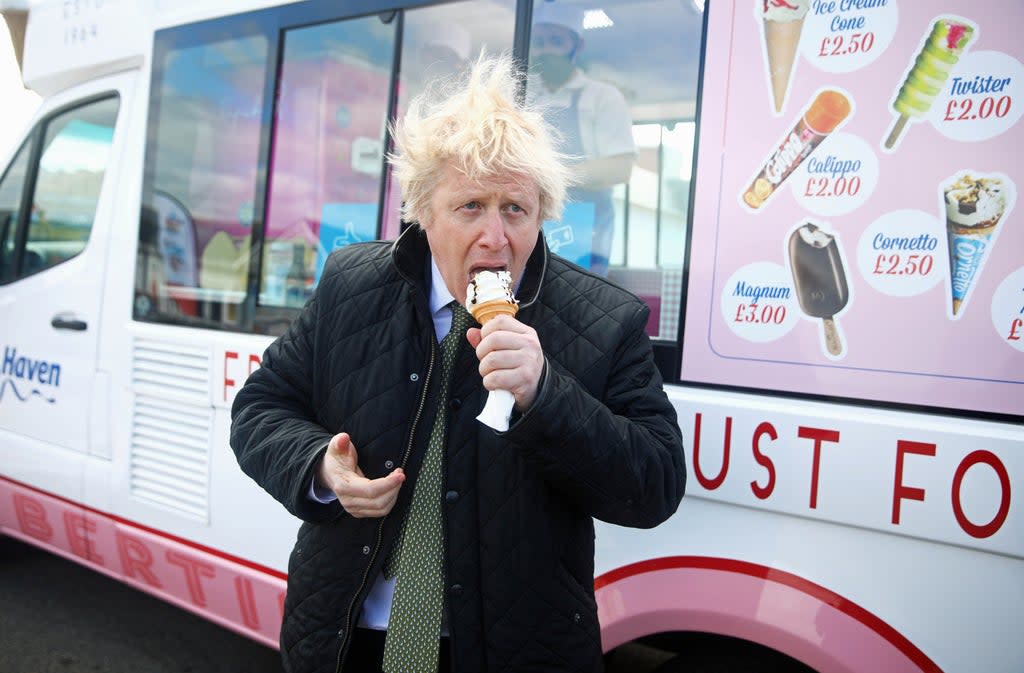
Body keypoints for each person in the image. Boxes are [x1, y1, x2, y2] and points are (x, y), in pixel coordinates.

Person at [230, 53, 685, 673]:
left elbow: (656, 484)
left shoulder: (606, 320)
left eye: (515, 209)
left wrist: (547, 395)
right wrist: (320, 469)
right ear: (423, 210)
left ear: (542, 215)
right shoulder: (352, 286)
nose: (496, 236)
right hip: (343, 636)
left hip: (516, 653)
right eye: (471, 206)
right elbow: (260, 406)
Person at [529, 2, 636, 275]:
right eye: (540, 42)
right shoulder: (524, 95)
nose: (546, 50)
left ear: (578, 46)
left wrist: (549, 176)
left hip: (584, 224)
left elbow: (620, 167)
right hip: (531, 217)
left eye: (556, 41)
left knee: (577, 301)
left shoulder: (602, 97)